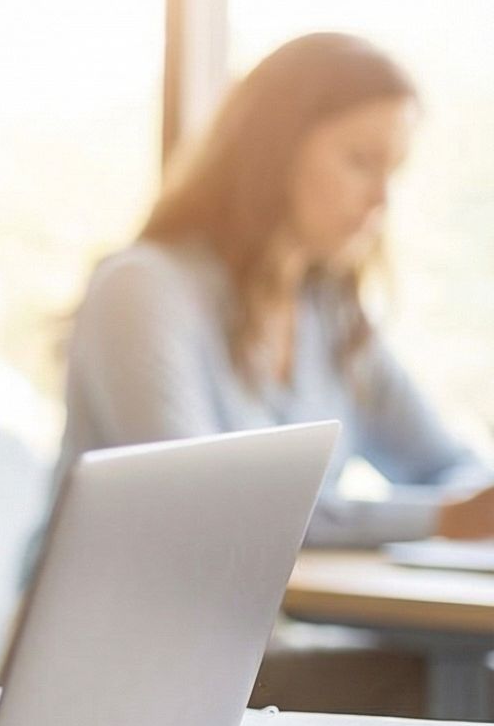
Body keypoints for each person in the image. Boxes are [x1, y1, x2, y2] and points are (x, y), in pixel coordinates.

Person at [56, 32, 493, 550]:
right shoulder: (142, 290)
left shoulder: (331, 316)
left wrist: (466, 511)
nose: (381, 198)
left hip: (278, 622)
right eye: (360, 161)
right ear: (275, 151)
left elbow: (446, 467)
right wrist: (439, 519)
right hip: (132, 625)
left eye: (392, 172)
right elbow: (207, 511)